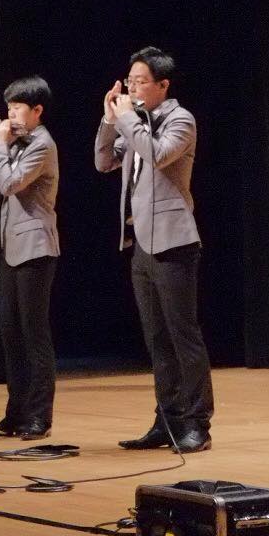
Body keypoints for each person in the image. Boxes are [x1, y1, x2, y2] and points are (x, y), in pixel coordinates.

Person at [94, 46, 213, 453]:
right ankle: (167, 420)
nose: (132, 88)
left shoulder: (181, 120)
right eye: (130, 81)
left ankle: (197, 424)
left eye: (140, 81)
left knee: (183, 336)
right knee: (157, 339)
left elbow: (158, 154)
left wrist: (127, 119)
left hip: (174, 241)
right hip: (141, 243)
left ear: (163, 85)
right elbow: (103, 162)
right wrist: (110, 120)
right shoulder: (135, 123)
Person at [0, 74, 59, 439]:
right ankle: (15, 413)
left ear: (37, 110)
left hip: (36, 248)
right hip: (11, 248)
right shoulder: (15, 143)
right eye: (8, 108)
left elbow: (11, 184)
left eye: (17, 108)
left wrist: (0, 145)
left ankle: (39, 417)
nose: (10, 115)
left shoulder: (42, 144)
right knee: (10, 334)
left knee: (33, 333)